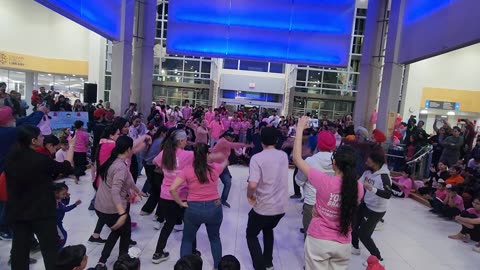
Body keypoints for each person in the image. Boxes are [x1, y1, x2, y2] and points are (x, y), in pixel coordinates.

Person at [294, 116, 364, 270]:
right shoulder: (358, 187)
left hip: (319, 239)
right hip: (344, 244)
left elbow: (297, 159)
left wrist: (299, 129)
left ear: (334, 163)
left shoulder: (324, 181)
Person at [5, 125, 75, 270]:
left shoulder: (11, 158)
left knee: (20, 251)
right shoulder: (40, 159)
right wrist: (72, 146)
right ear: (33, 140)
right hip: (41, 212)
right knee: (50, 251)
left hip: (18, 211)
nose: (43, 138)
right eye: (41, 136)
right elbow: (66, 167)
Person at [170, 143, 228, 268]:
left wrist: (180, 202)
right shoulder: (215, 168)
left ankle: (184, 267)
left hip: (193, 209)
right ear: (207, 154)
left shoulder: (187, 170)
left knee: (187, 240)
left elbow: (173, 189)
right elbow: (224, 161)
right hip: (214, 207)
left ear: (194, 155)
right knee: (215, 239)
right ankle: (218, 266)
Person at [93, 136, 145, 270]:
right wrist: (122, 214)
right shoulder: (120, 166)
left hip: (100, 206)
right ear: (128, 149)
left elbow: (128, 178)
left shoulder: (114, 160)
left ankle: (102, 262)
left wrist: (137, 190)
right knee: (124, 232)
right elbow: (115, 191)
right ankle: (123, 262)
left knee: (117, 232)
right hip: (112, 208)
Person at [152, 129, 199, 264]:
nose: (186, 142)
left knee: (168, 224)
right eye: (185, 140)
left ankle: (158, 253)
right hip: (183, 195)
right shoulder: (189, 155)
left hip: (166, 195)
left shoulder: (165, 153)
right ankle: (193, 251)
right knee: (189, 224)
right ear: (180, 141)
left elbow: (155, 162)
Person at [246, 126, 288, 270]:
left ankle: (260, 267)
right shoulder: (283, 155)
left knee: (251, 235)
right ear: (276, 140)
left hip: (264, 207)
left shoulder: (257, 158)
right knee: (268, 229)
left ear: (261, 140)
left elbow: (252, 184)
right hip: (281, 207)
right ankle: (268, 262)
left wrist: (249, 196)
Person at [351, 150, 392, 265]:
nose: (366, 162)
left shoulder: (384, 177)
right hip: (365, 203)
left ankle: (377, 258)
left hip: (376, 210)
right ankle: (355, 247)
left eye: (369, 161)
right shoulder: (368, 171)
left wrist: (371, 189)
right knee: (354, 223)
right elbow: (359, 182)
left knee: (364, 234)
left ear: (376, 162)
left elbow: (388, 194)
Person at [295, 130, 336, 237]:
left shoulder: (310, 161)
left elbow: (299, 181)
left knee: (309, 236)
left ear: (319, 143)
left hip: (312, 202)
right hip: (331, 203)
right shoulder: (338, 161)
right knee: (326, 235)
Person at [212, 130, 247, 208]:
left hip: (223, 166)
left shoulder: (226, 143)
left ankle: (223, 200)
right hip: (215, 166)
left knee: (228, 183)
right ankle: (212, 200)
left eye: (233, 137)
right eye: (231, 137)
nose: (233, 139)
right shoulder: (223, 141)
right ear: (226, 136)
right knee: (213, 184)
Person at [140, 126, 168, 222]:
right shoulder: (163, 142)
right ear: (163, 133)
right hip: (154, 167)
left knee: (155, 189)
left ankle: (147, 210)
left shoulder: (154, 139)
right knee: (159, 191)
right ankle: (158, 215)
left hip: (147, 164)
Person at [54, 183, 81, 250]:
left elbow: (65, 203)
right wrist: (75, 204)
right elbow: (65, 209)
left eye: (66, 193)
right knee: (63, 236)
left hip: (59, 222)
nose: (65, 195)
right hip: (56, 223)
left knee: (62, 236)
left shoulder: (59, 199)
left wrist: (67, 198)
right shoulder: (56, 202)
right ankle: (58, 249)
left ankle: (58, 248)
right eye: (63, 194)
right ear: (56, 193)